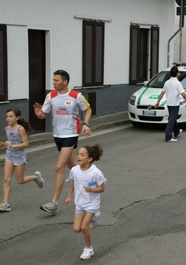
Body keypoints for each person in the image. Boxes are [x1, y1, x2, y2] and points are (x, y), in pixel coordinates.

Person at [33, 69, 92, 214]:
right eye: (53, 80)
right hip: (57, 135)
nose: (53, 83)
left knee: (59, 167)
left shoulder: (75, 95)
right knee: (72, 165)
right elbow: (43, 114)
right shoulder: (51, 95)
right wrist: (38, 113)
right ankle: (90, 179)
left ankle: (54, 203)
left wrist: (86, 124)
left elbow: (88, 108)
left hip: (70, 134)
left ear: (65, 82)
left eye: (56, 80)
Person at [65, 144, 106, 260]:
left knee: (84, 227)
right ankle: (94, 217)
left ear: (90, 159)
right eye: (78, 154)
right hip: (80, 202)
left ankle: (88, 248)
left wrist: (92, 189)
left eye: (82, 155)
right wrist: (68, 196)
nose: (78, 156)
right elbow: (73, 182)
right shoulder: (74, 170)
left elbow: (102, 188)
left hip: (92, 203)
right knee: (76, 229)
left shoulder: (96, 173)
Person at [0, 108, 44, 212]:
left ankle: (35, 177)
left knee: (20, 180)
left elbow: (26, 144)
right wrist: (3, 144)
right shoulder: (6, 128)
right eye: (7, 116)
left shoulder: (20, 129)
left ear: (17, 117)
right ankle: (6, 203)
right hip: (9, 155)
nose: (8, 119)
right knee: (6, 179)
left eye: (11, 116)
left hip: (19, 156)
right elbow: (10, 141)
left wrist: (13, 145)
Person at [155, 66, 186, 142]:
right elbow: (183, 94)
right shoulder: (178, 83)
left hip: (169, 103)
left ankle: (177, 131)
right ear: (177, 74)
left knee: (172, 118)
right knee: (171, 119)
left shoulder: (167, 82)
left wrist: (158, 102)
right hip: (175, 104)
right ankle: (168, 136)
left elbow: (162, 93)